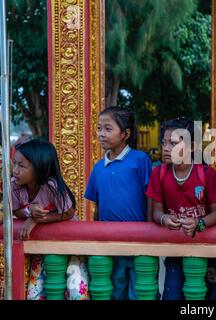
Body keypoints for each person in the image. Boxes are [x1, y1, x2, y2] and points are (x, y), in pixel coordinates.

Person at [146, 117, 216, 300]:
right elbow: (155, 211)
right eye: (164, 142)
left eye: (173, 143)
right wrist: (164, 219)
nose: (166, 148)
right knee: (173, 295)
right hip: (176, 248)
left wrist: (198, 223)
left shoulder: (206, 174)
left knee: (211, 297)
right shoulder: (158, 173)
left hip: (209, 248)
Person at [85, 106, 152, 300]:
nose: (101, 134)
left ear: (125, 134)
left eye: (107, 129)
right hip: (110, 244)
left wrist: (149, 233)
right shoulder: (98, 168)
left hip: (140, 242)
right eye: (99, 129)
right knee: (114, 290)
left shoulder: (140, 160)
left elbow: (150, 198)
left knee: (140, 292)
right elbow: (97, 208)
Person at [11, 139, 89, 300]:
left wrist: (36, 219)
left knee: (76, 289)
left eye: (21, 166)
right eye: (15, 164)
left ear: (39, 169)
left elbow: (68, 212)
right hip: (42, 244)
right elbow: (16, 211)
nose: (15, 170)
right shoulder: (15, 185)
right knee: (35, 291)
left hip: (69, 243)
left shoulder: (51, 186)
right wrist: (28, 211)